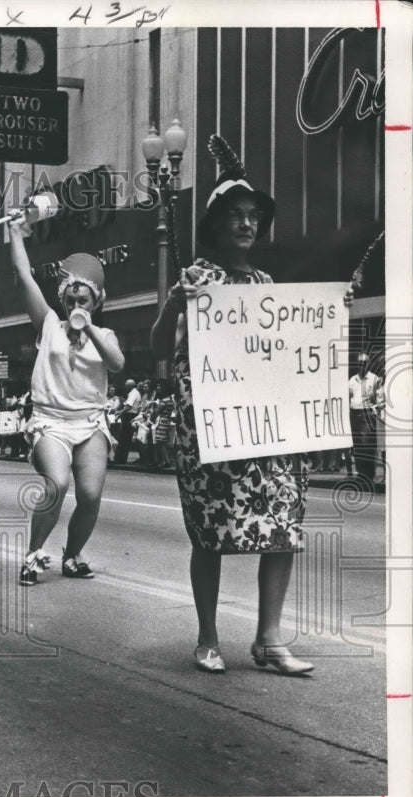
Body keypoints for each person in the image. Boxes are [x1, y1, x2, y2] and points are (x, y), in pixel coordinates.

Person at [149, 137, 353, 676]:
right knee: (211, 531)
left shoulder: (265, 284)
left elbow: (287, 354)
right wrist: (173, 304)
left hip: (268, 429)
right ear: (215, 225)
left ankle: (269, 639)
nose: (245, 224)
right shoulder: (196, 280)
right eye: (235, 216)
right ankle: (208, 637)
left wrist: (333, 312)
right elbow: (159, 350)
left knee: (283, 525)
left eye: (252, 216)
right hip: (212, 428)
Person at [7, 217, 125, 586]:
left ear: (97, 300)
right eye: (71, 297)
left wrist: (87, 324)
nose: (76, 301)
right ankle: (33, 555)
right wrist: (15, 233)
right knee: (56, 484)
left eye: (84, 297)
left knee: (90, 496)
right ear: (62, 299)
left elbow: (118, 364)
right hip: (51, 422)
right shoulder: (48, 326)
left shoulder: (104, 333)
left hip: (90, 423)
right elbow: (25, 275)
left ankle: (72, 556)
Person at [348, 353, 384, 488]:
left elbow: (380, 399)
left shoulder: (374, 379)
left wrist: (373, 409)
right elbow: (348, 396)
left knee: (367, 445)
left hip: (367, 414)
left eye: (364, 363)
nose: (362, 365)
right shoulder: (352, 380)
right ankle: (361, 473)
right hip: (354, 414)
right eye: (360, 363)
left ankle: (369, 474)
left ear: (368, 364)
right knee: (357, 446)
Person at [112, 378, 143, 465]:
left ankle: (119, 459)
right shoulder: (135, 393)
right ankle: (121, 458)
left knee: (123, 438)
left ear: (130, 386)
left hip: (129, 416)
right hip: (131, 415)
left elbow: (128, 407)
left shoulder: (133, 394)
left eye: (126, 385)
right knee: (126, 439)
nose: (125, 386)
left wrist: (119, 414)